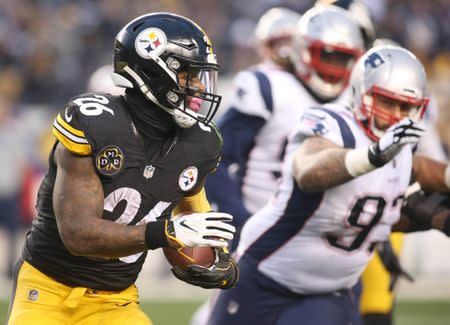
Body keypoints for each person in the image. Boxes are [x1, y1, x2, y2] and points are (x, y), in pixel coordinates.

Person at [6, 12, 239, 325]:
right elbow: (78, 235)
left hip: (115, 299)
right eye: (188, 74)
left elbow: (197, 219)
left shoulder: (200, 145)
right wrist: (166, 232)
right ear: (155, 70)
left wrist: (214, 259)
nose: (198, 87)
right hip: (47, 289)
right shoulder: (95, 123)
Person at [208, 45, 450, 325]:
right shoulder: (333, 122)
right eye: (386, 102)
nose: (396, 115)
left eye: (405, 107)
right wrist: (374, 155)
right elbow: (308, 171)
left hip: (329, 293)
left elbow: (420, 173)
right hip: (264, 276)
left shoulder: (402, 151)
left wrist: (438, 214)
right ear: (362, 94)